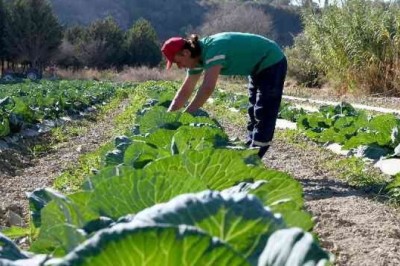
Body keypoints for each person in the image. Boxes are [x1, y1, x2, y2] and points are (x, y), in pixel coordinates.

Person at [161, 32, 287, 158]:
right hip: (256, 68)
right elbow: (185, 91)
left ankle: (254, 157)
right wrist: (169, 119)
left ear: (186, 53)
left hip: (271, 61)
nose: (179, 66)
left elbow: (207, 88)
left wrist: (186, 116)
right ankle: (250, 152)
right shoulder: (196, 59)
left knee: (263, 113)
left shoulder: (213, 50)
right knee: (252, 112)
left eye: (178, 62)